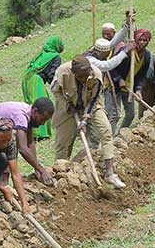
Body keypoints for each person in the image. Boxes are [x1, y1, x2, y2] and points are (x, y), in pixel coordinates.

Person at [50, 54, 126, 188]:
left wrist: (85, 119)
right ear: (74, 74)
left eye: (86, 76)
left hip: (91, 105)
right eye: (80, 77)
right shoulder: (63, 72)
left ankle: (110, 173)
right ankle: (61, 175)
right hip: (68, 105)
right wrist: (67, 105)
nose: (84, 79)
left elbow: (94, 98)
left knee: (106, 130)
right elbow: (55, 91)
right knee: (63, 143)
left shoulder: (96, 75)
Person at [0, 99, 56, 186]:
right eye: (42, 119)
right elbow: (23, 148)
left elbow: (30, 142)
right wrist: (41, 169)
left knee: (5, 156)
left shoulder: (28, 113)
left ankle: (2, 186)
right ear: (35, 111)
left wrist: (36, 168)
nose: (42, 123)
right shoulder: (21, 116)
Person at [21, 35, 64, 141]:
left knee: (32, 104)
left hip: (27, 79)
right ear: (56, 45)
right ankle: (40, 134)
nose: (63, 47)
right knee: (42, 107)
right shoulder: (55, 57)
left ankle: (31, 131)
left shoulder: (43, 53)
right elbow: (51, 75)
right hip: (36, 80)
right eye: (61, 45)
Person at [111, 29, 151, 130]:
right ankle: (109, 139)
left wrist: (138, 89)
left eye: (145, 40)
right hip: (113, 85)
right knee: (114, 115)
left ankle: (120, 135)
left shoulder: (146, 56)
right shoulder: (126, 51)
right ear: (136, 39)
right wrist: (119, 79)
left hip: (129, 87)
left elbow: (141, 75)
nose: (142, 42)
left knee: (130, 114)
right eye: (140, 40)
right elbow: (111, 66)